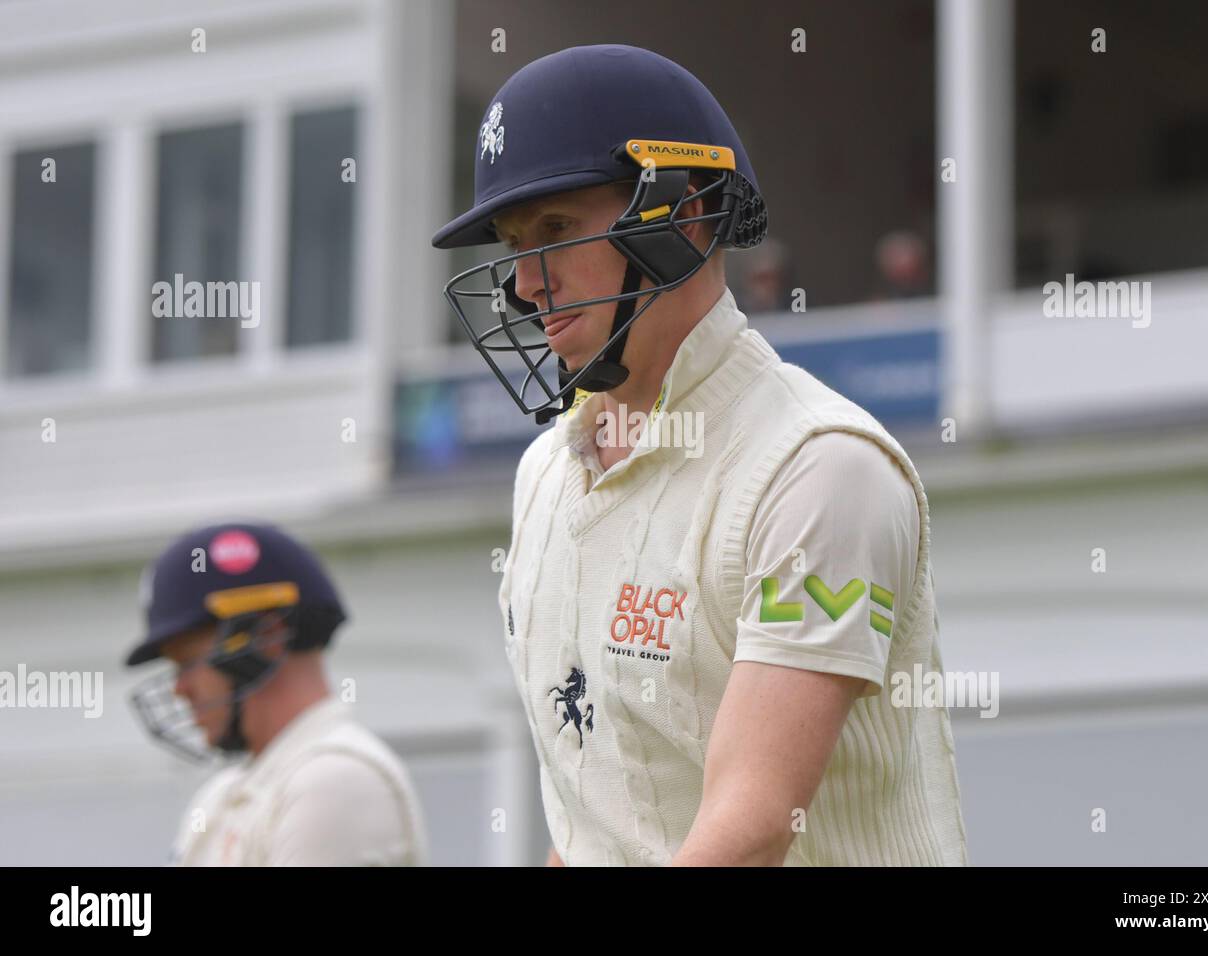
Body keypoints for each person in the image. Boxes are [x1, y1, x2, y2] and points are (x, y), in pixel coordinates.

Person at [433, 44, 967, 866]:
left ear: (683, 219)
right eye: (512, 243)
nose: (525, 283)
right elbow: (591, 823)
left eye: (555, 230)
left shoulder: (821, 468)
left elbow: (748, 832)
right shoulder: (543, 476)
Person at [124, 522, 427, 866]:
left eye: (188, 662)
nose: (179, 689)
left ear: (265, 636)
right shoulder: (220, 798)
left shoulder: (332, 779)